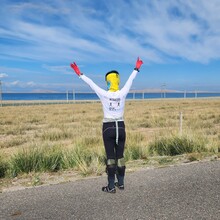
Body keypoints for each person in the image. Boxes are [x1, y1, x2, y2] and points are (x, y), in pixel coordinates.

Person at [70, 57, 143, 193]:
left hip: (108, 127)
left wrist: (79, 73)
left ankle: (110, 187)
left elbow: (91, 83)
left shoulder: (103, 94)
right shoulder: (122, 93)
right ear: (118, 80)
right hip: (120, 126)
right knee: (120, 157)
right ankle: (120, 183)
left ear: (108, 82)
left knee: (110, 158)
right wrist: (136, 68)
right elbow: (130, 81)